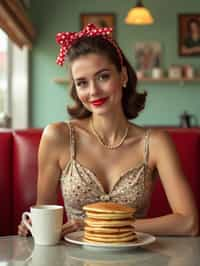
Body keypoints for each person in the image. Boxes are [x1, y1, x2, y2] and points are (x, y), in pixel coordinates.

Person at [18, 24, 199, 237]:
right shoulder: (58, 137)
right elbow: (45, 214)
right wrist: (36, 229)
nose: (93, 91)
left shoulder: (156, 143)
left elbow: (189, 223)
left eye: (103, 76)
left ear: (123, 76)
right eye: (82, 83)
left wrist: (100, 226)